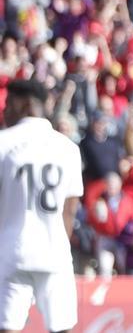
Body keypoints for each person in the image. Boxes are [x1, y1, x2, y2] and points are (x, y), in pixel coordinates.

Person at [0, 80, 84, 333]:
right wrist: (59, 245)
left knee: (7, 327)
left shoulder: (3, 142)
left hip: (11, 249)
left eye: (8, 104)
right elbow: (70, 211)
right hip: (54, 251)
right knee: (62, 328)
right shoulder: (68, 148)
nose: (4, 110)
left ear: (24, 104)